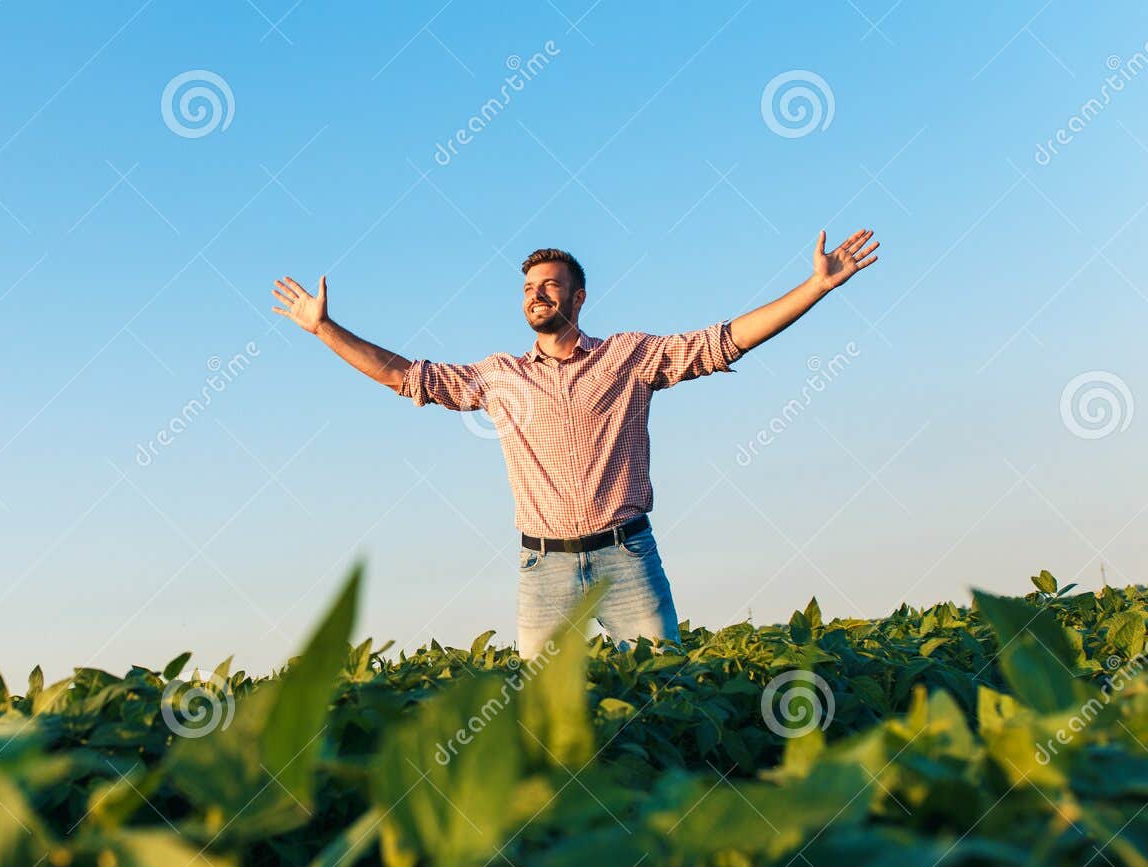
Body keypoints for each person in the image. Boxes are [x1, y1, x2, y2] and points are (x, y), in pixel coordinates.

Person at [270, 230, 880, 658]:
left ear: (579, 297)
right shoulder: (499, 375)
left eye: (552, 285)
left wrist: (815, 289)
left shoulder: (629, 356)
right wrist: (324, 328)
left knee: (666, 695)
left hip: (627, 558)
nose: (537, 293)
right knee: (543, 723)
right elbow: (408, 377)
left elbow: (724, 341)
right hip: (543, 569)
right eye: (529, 286)